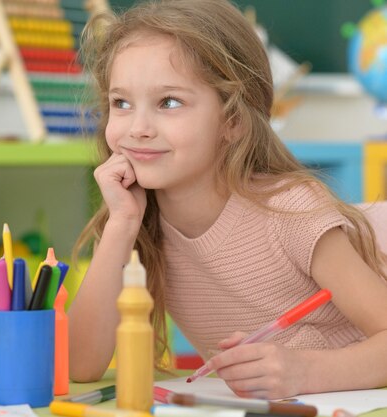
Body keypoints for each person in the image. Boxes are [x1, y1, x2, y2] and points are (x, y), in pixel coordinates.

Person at [68, 0, 387, 399]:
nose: (138, 128)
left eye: (169, 102)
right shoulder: (134, 218)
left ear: (233, 121)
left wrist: (306, 372)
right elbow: (80, 366)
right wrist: (120, 226)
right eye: (121, 103)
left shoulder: (291, 212)